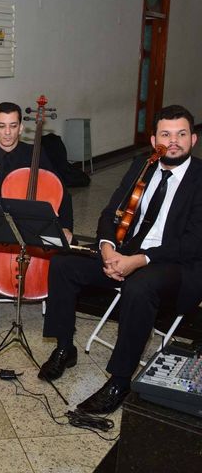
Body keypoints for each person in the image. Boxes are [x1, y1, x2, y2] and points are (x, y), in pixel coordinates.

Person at [39, 105, 202, 414]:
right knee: (64, 263)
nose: (174, 141)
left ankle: (120, 379)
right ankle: (64, 347)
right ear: (155, 141)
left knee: (139, 287)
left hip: (176, 266)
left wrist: (140, 259)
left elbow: (193, 243)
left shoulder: (200, 178)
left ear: (193, 139)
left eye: (181, 134)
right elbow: (109, 212)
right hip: (126, 253)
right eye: (166, 134)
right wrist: (107, 248)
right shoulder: (142, 166)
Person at [0, 102, 73, 333]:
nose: (7, 132)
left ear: (21, 127)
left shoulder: (36, 155)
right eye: (2, 126)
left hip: (32, 228)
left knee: (67, 252)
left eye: (13, 126)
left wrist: (66, 227)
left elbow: (61, 192)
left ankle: (58, 310)